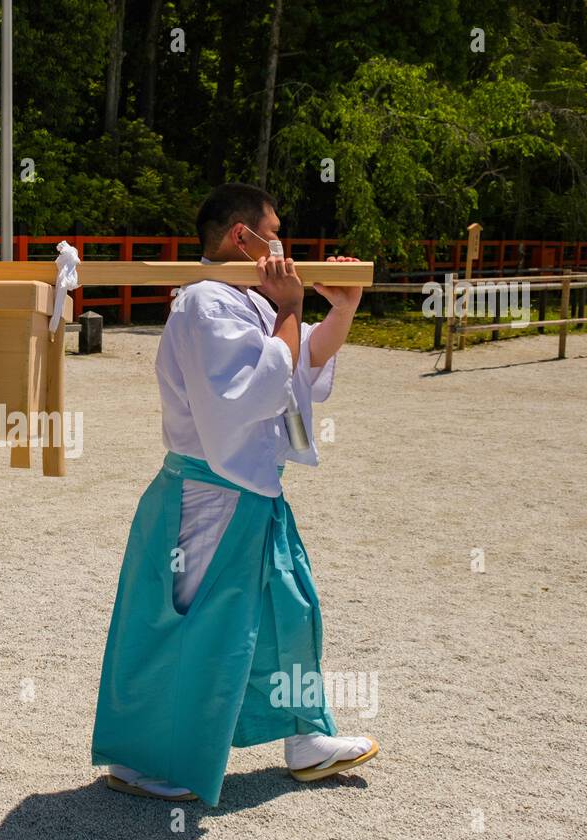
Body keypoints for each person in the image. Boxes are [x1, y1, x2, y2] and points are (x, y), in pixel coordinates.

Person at [90, 183, 377, 805]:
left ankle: (304, 735)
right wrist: (291, 310)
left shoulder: (246, 298)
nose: (282, 243)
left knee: (290, 608)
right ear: (242, 236)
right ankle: (152, 761)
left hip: (251, 489)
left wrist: (339, 311)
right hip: (207, 492)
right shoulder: (206, 303)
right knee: (189, 626)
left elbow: (297, 374)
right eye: (274, 230)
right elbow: (250, 393)